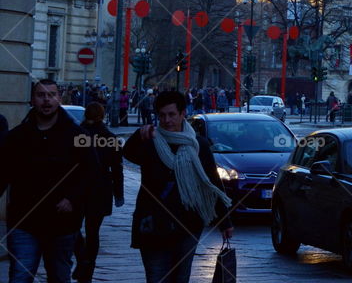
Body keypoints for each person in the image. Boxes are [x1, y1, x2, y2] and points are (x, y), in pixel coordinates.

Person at [123, 90, 233, 283]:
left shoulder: (199, 145)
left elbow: (211, 182)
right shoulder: (150, 142)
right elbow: (128, 153)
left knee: (181, 277)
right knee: (156, 277)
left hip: (188, 223)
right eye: (162, 115)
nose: (167, 120)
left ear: (183, 114)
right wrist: (138, 135)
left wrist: (225, 222)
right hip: (153, 223)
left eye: (172, 114)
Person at [0, 79, 95, 283]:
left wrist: (72, 198)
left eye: (51, 95)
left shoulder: (77, 135)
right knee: (20, 276)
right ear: (33, 99)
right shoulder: (16, 137)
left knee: (59, 277)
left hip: (61, 223)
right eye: (41, 95)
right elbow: (2, 173)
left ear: (59, 99)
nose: (46, 100)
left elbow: (91, 172)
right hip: (24, 220)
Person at [73, 103, 124, 283]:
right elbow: (117, 169)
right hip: (101, 189)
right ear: (103, 116)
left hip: (78, 188)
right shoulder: (110, 138)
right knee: (93, 231)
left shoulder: (76, 135)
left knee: (73, 228)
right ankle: (88, 267)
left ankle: (82, 260)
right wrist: (119, 193)